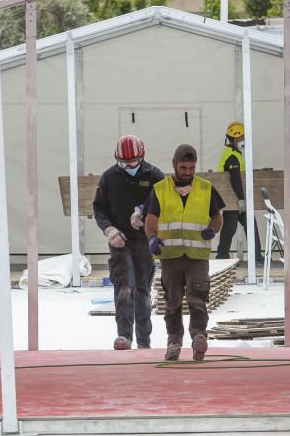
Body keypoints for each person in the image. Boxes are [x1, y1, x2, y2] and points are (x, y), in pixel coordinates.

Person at [144, 144, 224, 361]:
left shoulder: (206, 188)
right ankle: (174, 341)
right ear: (174, 165)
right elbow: (151, 220)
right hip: (170, 255)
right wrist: (152, 238)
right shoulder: (160, 190)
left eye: (191, 168)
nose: (187, 172)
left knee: (197, 298)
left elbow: (217, 216)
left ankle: (199, 336)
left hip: (197, 257)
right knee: (173, 300)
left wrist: (213, 229)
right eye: (183, 167)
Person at [92, 135, 165, 350]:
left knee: (142, 289)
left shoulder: (154, 176)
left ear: (142, 157)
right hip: (120, 241)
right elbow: (99, 208)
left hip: (144, 240)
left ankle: (144, 340)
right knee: (124, 288)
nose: (129, 166)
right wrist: (109, 229)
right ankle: (124, 336)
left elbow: (164, 202)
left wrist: (144, 212)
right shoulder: (109, 178)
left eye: (133, 162)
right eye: (124, 163)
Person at [216, 121, 263, 263]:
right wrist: (241, 199)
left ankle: (254, 256)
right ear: (235, 138)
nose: (244, 141)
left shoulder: (234, 153)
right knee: (230, 228)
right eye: (242, 138)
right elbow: (235, 178)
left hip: (235, 200)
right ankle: (222, 256)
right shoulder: (232, 156)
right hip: (234, 200)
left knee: (247, 225)